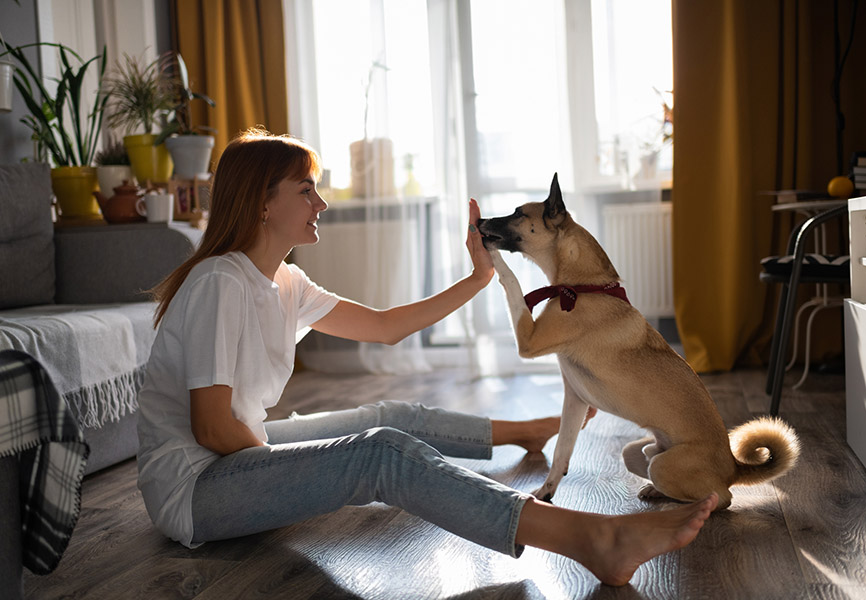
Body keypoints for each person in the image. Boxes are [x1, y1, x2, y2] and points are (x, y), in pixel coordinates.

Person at [136, 128, 718, 588]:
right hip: (196, 489)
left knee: (384, 417)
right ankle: (590, 539)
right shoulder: (220, 282)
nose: (323, 201)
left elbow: (388, 328)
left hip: (238, 453)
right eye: (306, 190)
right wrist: (292, 469)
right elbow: (211, 427)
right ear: (261, 204)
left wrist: (480, 276)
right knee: (381, 454)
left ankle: (525, 431)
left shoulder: (285, 281)